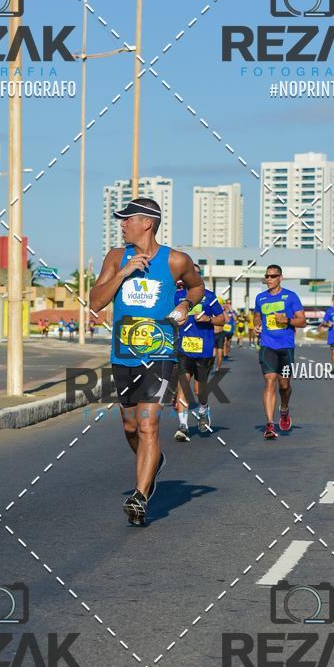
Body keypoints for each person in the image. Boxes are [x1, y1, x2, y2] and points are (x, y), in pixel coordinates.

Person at [90, 197, 204, 525]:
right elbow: (96, 301)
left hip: (160, 354)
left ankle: (140, 496)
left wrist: (185, 306)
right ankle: (154, 462)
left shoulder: (176, 261)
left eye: (127, 219)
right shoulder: (115, 257)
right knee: (130, 426)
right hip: (123, 355)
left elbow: (196, 288)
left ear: (147, 223)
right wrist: (124, 271)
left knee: (148, 423)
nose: (122, 224)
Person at [253, 265, 306, 440]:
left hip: (286, 347)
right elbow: (257, 315)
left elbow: (302, 321)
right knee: (270, 381)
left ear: (280, 278)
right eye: (267, 276)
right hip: (268, 345)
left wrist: (287, 320)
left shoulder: (291, 297)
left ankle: (284, 409)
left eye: (273, 276)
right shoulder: (260, 298)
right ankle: (270, 424)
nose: (269, 279)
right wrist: (257, 324)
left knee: (284, 386)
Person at [174, 268, 224, 441]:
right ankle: (183, 426)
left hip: (204, 349)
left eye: (194, 273)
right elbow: (171, 318)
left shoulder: (210, 297)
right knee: (184, 386)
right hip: (184, 349)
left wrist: (208, 320)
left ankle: (203, 409)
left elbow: (222, 319)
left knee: (199, 389)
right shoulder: (178, 296)